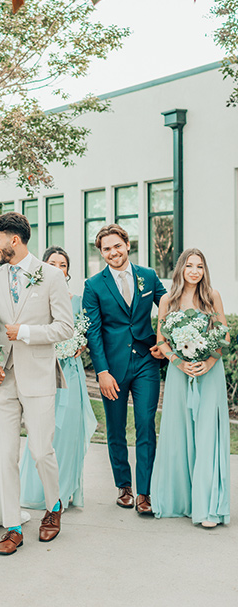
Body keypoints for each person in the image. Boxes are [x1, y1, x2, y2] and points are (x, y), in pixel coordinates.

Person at [0, 213, 74, 555]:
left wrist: (26, 333)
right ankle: (13, 526)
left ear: (14, 241)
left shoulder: (51, 276)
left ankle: (53, 506)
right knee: (6, 455)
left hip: (37, 375)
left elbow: (64, 328)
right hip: (2, 380)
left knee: (40, 450)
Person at [82, 224, 166, 515]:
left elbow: (168, 306)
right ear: (101, 252)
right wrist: (102, 372)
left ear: (127, 245)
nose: (112, 252)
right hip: (113, 368)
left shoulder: (149, 276)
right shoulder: (93, 285)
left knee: (145, 425)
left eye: (117, 246)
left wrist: (164, 341)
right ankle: (124, 486)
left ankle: (145, 492)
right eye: (106, 248)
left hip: (146, 362)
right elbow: (93, 332)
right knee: (116, 428)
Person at [151, 249, 230, 528]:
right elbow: (161, 341)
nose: (195, 271)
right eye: (189, 265)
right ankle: (183, 501)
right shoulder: (167, 300)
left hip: (209, 374)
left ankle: (208, 508)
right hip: (179, 374)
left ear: (204, 270)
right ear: (181, 269)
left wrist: (208, 362)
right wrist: (178, 362)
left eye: (199, 266)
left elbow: (225, 334)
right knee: (180, 434)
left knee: (208, 435)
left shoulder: (213, 297)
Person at [20, 246, 97, 511]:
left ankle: (65, 489)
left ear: (67, 270)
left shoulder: (78, 301)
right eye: (52, 262)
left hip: (72, 373)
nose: (57, 267)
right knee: (44, 433)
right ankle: (39, 491)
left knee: (69, 433)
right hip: (44, 371)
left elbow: (85, 330)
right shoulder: (33, 297)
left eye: (62, 264)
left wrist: (81, 343)